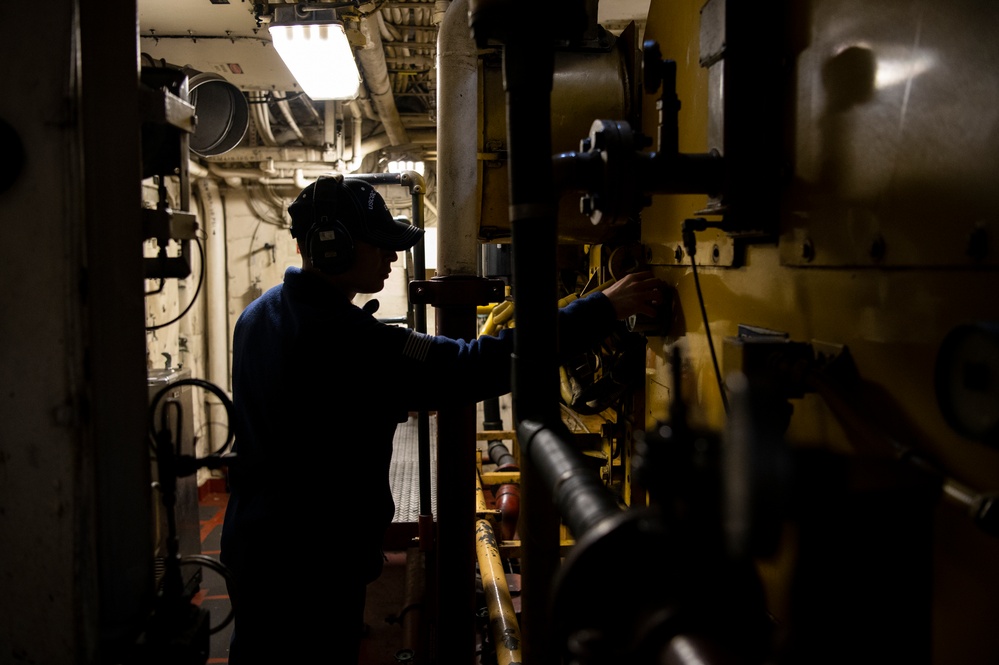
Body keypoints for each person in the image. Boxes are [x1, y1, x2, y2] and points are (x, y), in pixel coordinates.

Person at [219, 174, 665, 663]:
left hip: (257, 545)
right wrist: (601, 308)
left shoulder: (259, 315)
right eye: (381, 245)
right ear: (333, 248)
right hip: (314, 564)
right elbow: (473, 363)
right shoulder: (348, 340)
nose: (392, 258)